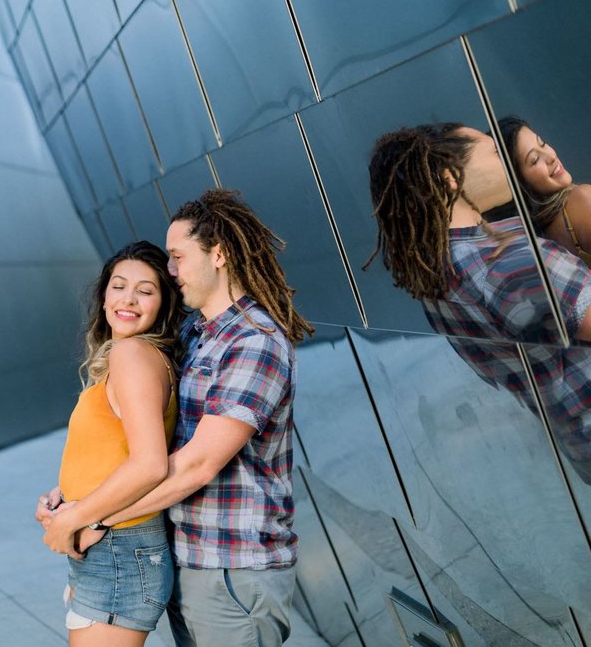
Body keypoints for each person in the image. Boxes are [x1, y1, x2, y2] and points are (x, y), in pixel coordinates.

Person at [42, 190, 313, 647]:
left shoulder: (254, 342)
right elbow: (139, 436)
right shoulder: (196, 332)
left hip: (231, 566)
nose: (170, 270)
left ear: (220, 255)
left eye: (178, 257)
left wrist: (93, 519)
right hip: (189, 555)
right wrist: (72, 499)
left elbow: (197, 464)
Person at [366, 123, 591, 482]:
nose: (508, 162)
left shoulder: (438, 275)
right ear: (450, 178)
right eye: (496, 154)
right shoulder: (513, 259)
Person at [37, 240, 184, 645]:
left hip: (118, 549)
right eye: (119, 286)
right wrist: (63, 500)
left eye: (146, 290)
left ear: (163, 305)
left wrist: (76, 515)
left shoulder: (133, 355)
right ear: (103, 296)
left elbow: (151, 464)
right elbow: (110, 453)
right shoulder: (128, 357)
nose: (129, 299)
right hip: (111, 549)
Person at [498, 116, 591, 265]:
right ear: (520, 183)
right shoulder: (582, 200)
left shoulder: (534, 243)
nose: (551, 156)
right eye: (534, 160)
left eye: (542, 144)